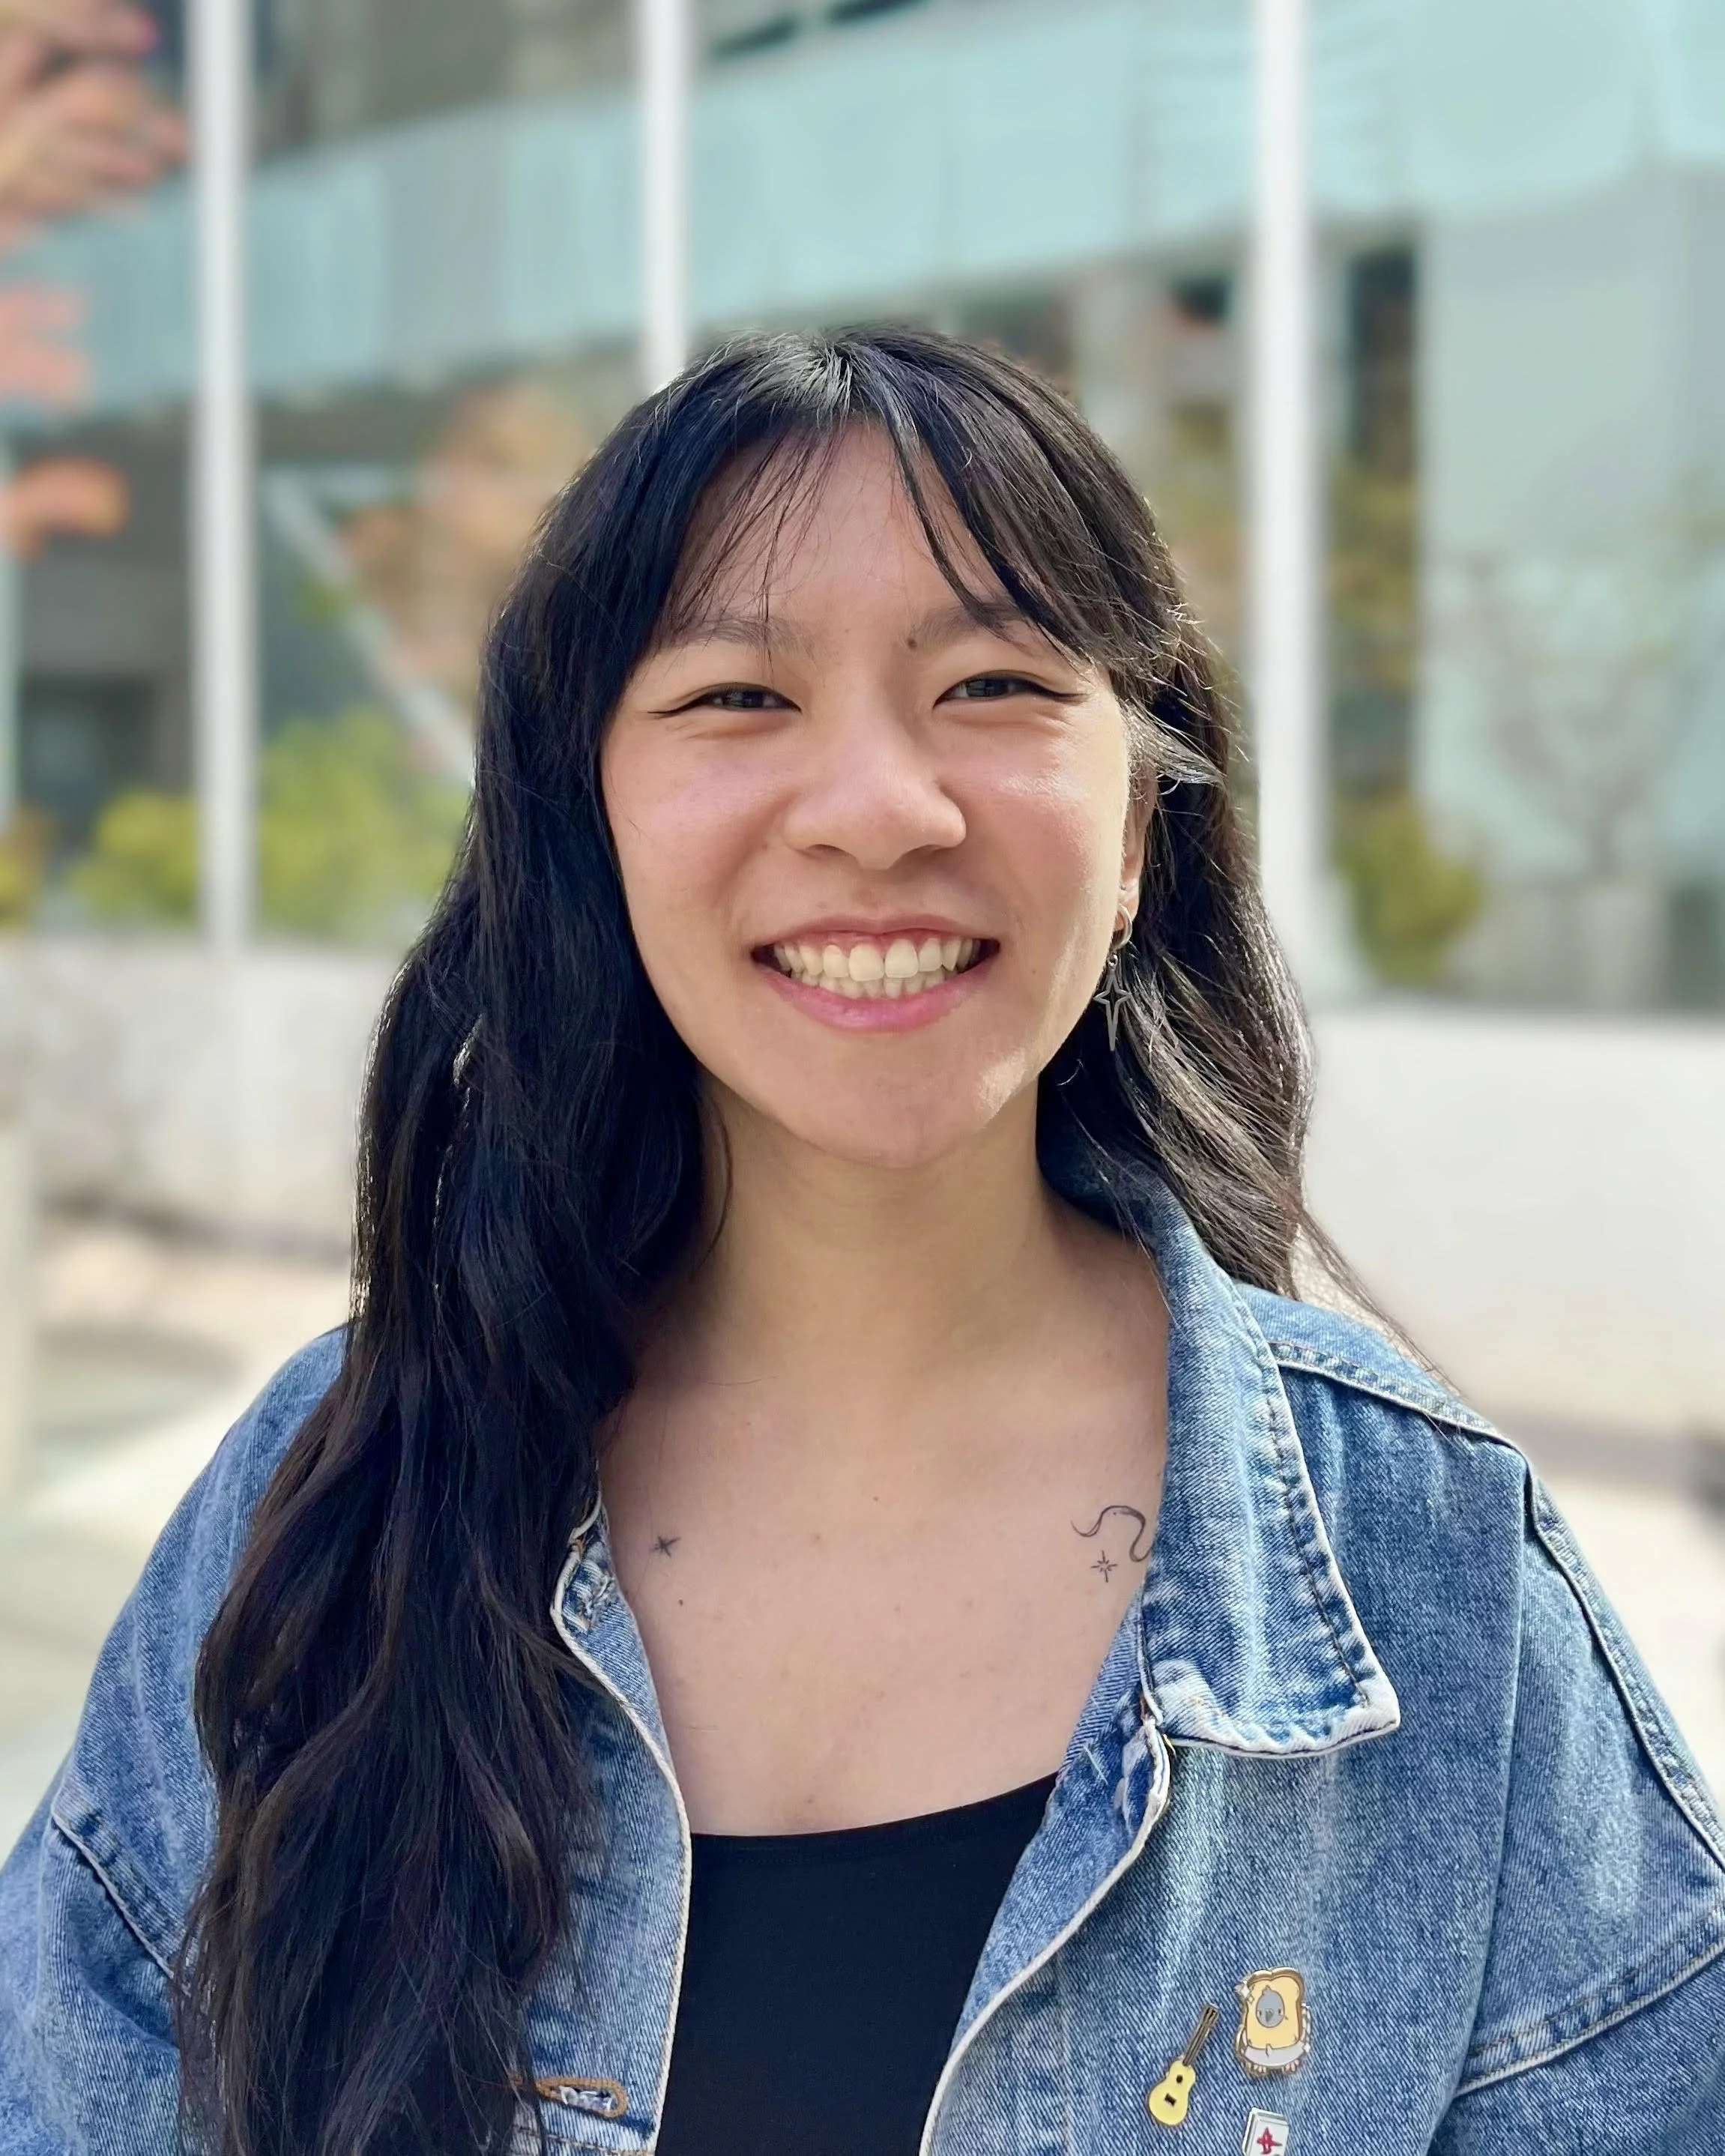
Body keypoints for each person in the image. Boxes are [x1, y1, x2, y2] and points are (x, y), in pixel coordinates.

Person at [2, 328, 1722, 2156]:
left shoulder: (1421, 1557)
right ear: (587, 821)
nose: (881, 811)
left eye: (990, 684)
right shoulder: (332, 1494)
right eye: (738, 698)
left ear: (1137, 823)